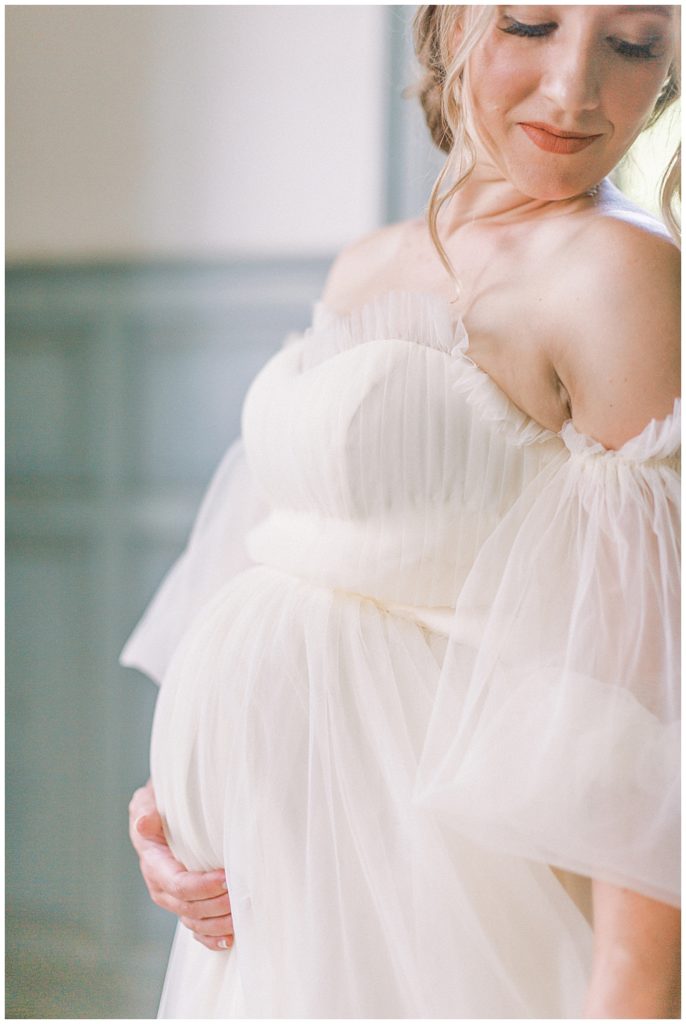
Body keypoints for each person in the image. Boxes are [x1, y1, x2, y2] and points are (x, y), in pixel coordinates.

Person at [122, 4, 681, 1018]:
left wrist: (631, 996)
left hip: (432, 911)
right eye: (529, 23)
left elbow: (643, 696)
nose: (570, 87)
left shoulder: (618, 272)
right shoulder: (369, 260)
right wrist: (168, 813)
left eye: (630, 43)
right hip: (272, 900)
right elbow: (282, 557)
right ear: (450, 20)